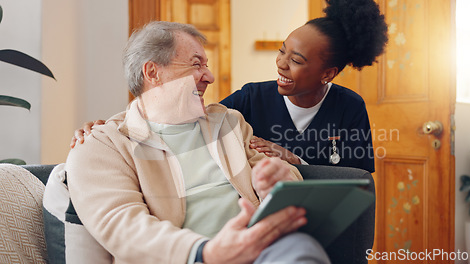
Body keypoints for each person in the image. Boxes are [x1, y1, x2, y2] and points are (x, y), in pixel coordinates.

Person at [65, 21, 331, 264]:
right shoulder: (103, 145)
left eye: (206, 65)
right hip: (186, 258)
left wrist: (277, 183)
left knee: (301, 248)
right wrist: (206, 253)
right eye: (196, 64)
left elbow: (289, 190)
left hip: (258, 252)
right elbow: (124, 226)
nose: (210, 76)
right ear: (152, 72)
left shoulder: (228, 123)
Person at [71, 0, 387, 173]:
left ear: (327, 74)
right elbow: (190, 119)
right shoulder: (251, 96)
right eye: (281, 51)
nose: (281, 64)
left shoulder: (349, 107)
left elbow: (358, 180)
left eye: (298, 60)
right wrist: (111, 126)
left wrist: (294, 159)